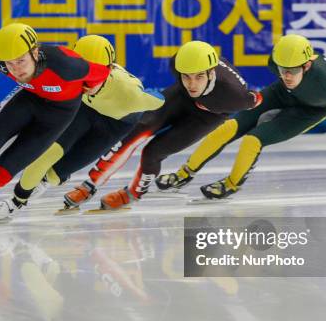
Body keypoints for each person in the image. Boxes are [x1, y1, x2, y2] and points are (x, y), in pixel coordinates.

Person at [0, 23, 110, 227]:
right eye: (10, 63)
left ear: (35, 52)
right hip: (28, 101)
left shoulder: (67, 65)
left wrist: (92, 86)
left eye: (21, 61)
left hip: (58, 116)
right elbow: (13, 73)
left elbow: (103, 73)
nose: (16, 69)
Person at [156, 34, 326, 199]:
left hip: (310, 110)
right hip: (281, 94)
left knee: (253, 140)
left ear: (307, 65)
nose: (286, 76)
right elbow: (284, 73)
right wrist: (287, 77)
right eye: (282, 70)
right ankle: (184, 173)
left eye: (292, 71)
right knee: (228, 127)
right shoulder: (276, 64)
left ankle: (232, 184)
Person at [63, 40, 261, 211]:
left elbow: (257, 99)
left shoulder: (235, 96)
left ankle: (133, 192)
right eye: (186, 76)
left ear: (211, 73)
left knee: (153, 152)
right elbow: (187, 79)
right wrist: (187, 82)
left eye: (199, 77)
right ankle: (89, 185)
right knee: (137, 130)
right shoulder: (178, 64)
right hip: (180, 98)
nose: (192, 83)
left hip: (206, 118)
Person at [0, 35, 165, 219]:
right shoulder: (67, 70)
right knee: (44, 157)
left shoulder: (131, 95)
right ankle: (15, 202)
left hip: (116, 123)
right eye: (81, 74)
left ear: (109, 70)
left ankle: (48, 180)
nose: (84, 84)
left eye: (92, 77)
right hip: (85, 110)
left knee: (55, 175)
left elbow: (159, 101)